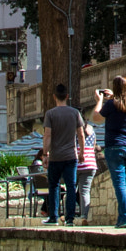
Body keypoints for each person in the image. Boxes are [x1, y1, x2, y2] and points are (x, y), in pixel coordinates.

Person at [91, 76, 126, 229]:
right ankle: (123, 217)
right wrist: (113, 97)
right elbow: (123, 104)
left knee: (119, 183)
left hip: (115, 147)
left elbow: (96, 117)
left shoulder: (111, 105)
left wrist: (99, 100)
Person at [41, 83, 83, 225]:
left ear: (54, 97)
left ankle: (53, 216)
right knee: (71, 186)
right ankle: (70, 218)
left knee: (54, 186)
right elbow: (81, 134)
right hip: (71, 156)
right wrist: (81, 152)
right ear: (67, 96)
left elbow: (47, 135)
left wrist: (45, 154)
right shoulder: (75, 113)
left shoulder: (50, 114)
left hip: (55, 156)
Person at [74, 121, 98, 224]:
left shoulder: (74, 130)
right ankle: (84, 216)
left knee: (71, 189)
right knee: (85, 191)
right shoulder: (92, 130)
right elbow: (93, 146)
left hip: (76, 162)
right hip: (90, 163)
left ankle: (68, 215)